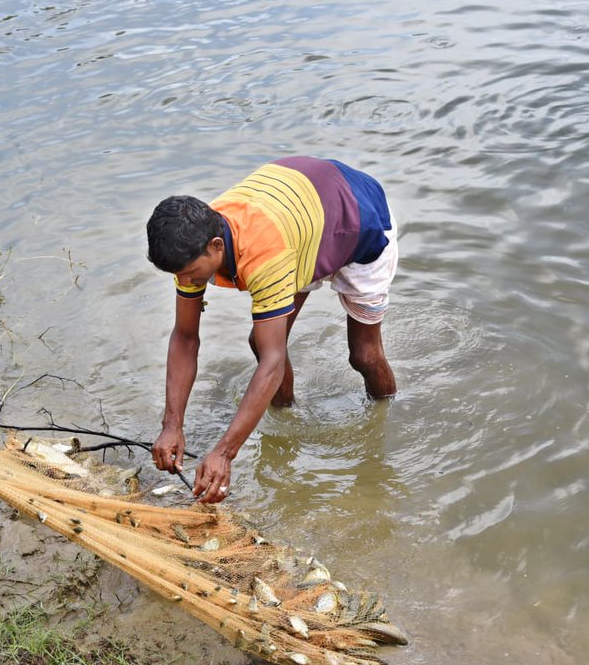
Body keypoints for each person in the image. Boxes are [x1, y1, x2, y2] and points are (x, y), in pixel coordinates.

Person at [146, 157, 399, 504]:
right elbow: (186, 338)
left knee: (364, 355)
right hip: (303, 223)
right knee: (260, 340)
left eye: (191, 272)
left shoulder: (264, 255)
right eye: (179, 274)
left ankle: (387, 412)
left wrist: (224, 452)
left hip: (358, 223)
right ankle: (287, 414)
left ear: (217, 247)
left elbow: (273, 362)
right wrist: (172, 423)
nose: (185, 282)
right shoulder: (192, 244)